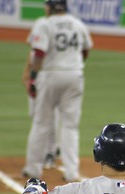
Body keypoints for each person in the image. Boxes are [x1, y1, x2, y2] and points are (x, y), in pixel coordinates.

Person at [21, 0, 93, 182]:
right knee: (70, 126)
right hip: (75, 75)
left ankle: (33, 169)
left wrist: (33, 76)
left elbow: (38, 53)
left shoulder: (45, 24)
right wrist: (74, 64)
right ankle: (71, 172)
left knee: (41, 123)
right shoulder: (78, 23)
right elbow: (86, 49)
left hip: (50, 75)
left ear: (51, 7)